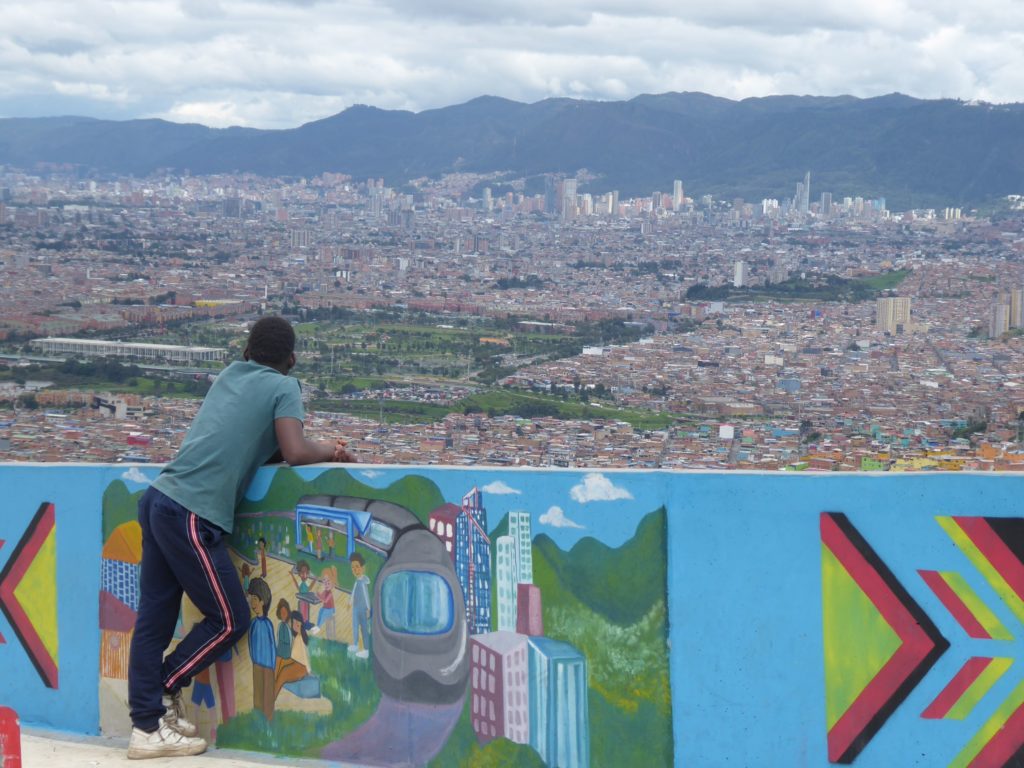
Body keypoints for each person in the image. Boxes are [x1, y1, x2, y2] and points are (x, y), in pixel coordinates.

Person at [126, 316, 356, 759]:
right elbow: (292, 451)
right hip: (192, 513)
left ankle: (145, 727)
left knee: (153, 620)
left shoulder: (231, 374)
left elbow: (256, 442)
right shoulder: (284, 387)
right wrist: (331, 450)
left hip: (158, 499)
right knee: (231, 618)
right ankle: (166, 685)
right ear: (291, 359)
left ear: (247, 351)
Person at [246, 578, 275, 722]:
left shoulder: (268, 624)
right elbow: (250, 643)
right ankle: (258, 722)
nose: (253, 603)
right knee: (258, 694)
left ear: (263, 601)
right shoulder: (253, 624)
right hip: (257, 664)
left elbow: (272, 645)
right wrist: (253, 660)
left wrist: (273, 664)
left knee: (268, 696)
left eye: (255, 599)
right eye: (251, 599)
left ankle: (268, 721)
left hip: (269, 666)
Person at [274, 609, 310, 699]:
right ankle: (272, 684)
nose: (296, 624)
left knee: (283, 673)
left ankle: (271, 698)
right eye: (293, 622)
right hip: (296, 663)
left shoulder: (302, 637)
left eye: (298, 621)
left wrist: (308, 671)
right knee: (280, 661)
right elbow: (294, 656)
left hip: (302, 667)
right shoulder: (297, 637)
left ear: (301, 622)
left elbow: (305, 658)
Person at [349, 553, 371, 659]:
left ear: (362, 568)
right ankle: (356, 644)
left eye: (357, 567)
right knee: (355, 626)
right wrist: (350, 602)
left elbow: (366, 596)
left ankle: (366, 650)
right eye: (353, 568)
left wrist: (368, 609)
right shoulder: (356, 581)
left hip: (363, 609)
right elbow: (353, 592)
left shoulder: (363, 582)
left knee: (364, 628)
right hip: (355, 608)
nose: (355, 570)